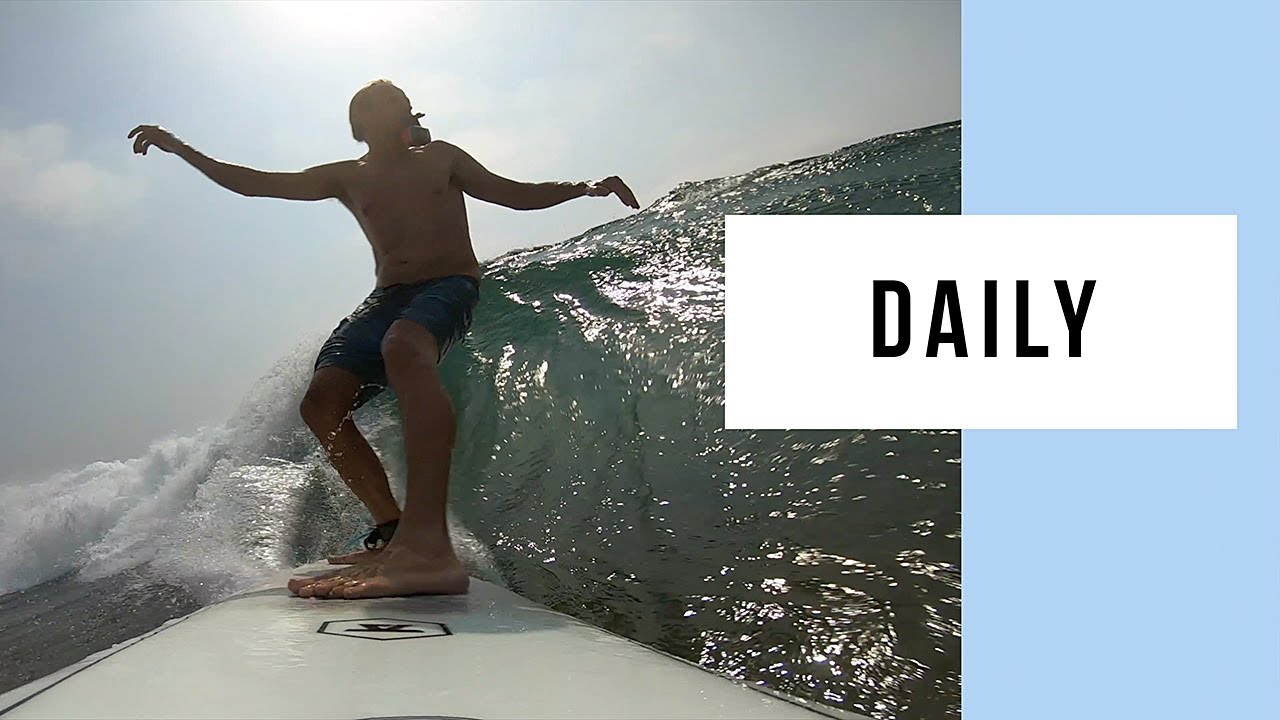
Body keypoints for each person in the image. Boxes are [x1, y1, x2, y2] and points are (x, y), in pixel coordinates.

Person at [129, 79, 639, 599]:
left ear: (406, 114)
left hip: (448, 286)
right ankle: (393, 529)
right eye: (367, 102)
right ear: (357, 124)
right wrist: (180, 147)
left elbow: (512, 193)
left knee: (402, 348)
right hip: (385, 298)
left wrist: (585, 187)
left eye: (391, 97)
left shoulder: (442, 158)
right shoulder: (346, 177)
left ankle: (428, 549)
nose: (380, 103)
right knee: (321, 404)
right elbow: (253, 182)